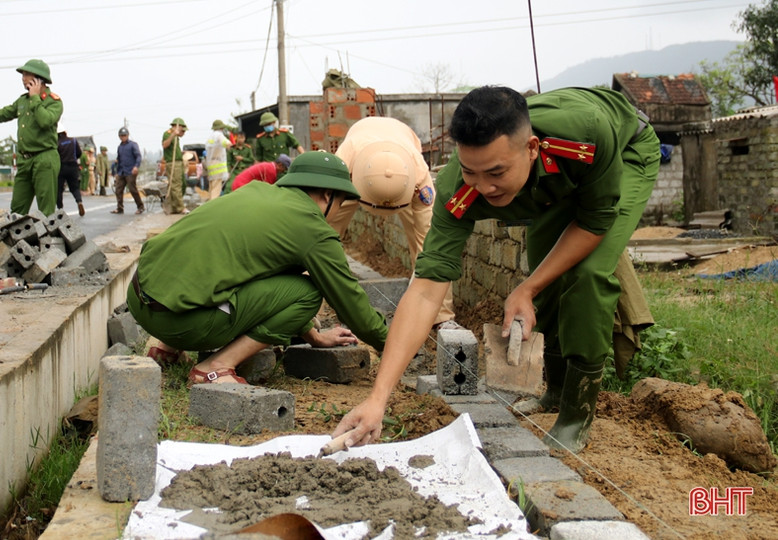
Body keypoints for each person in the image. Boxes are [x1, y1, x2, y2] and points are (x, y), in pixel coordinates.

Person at [333, 86, 660, 454]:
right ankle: (553, 390)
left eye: (496, 172)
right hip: (553, 177)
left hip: (622, 151)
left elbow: (593, 225)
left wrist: (526, 289)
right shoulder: (457, 189)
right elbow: (425, 290)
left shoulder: (584, 137)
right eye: (472, 172)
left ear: (532, 148)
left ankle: (576, 413)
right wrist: (378, 398)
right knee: (543, 264)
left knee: (587, 275)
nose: (484, 187)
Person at [127, 151, 388, 385]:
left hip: (140, 300)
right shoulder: (313, 229)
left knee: (224, 262)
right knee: (309, 293)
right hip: (183, 325)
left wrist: (314, 337)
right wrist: (392, 343)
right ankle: (216, 367)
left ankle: (166, 350)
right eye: (340, 203)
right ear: (328, 195)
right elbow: (351, 304)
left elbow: (265, 275)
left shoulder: (256, 192)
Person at [327, 116, 456, 328]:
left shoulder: (418, 174)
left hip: (403, 161)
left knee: (427, 243)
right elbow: (318, 226)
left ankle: (440, 316)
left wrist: (435, 307)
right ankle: (313, 295)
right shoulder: (344, 163)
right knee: (325, 233)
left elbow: (433, 244)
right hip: (357, 163)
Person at [0, 59, 62, 216]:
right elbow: (1, 115)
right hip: (25, 160)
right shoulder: (22, 101)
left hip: (45, 158)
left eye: (26, 74)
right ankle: (17, 240)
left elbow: (45, 121)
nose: (23, 78)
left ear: (38, 78)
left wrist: (35, 98)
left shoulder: (53, 101)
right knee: (17, 210)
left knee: (46, 212)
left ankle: (49, 240)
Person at [112, 126, 145, 214]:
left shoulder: (133, 145)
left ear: (127, 135)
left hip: (130, 171)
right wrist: (116, 172)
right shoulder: (120, 147)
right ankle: (120, 208)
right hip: (121, 171)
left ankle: (140, 206)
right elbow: (119, 159)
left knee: (132, 189)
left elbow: (138, 156)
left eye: (124, 135)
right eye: (121, 136)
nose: (123, 137)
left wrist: (136, 166)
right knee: (118, 189)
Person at [56, 123, 84, 216]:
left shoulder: (57, 143)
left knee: (59, 189)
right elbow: (79, 153)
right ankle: (79, 201)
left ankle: (60, 209)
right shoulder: (73, 141)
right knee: (74, 187)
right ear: (65, 132)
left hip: (61, 167)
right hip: (73, 166)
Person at [162, 117, 188, 214]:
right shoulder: (168, 134)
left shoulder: (177, 137)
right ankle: (180, 207)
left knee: (182, 184)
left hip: (178, 162)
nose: (183, 133)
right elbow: (165, 145)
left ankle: (174, 205)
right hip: (173, 163)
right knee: (176, 185)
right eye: (183, 130)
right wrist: (173, 134)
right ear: (178, 126)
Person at [204, 120, 233, 200]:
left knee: (212, 188)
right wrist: (231, 145)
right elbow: (226, 143)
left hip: (211, 166)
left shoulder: (210, 138)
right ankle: (212, 208)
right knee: (216, 190)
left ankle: (209, 205)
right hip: (218, 167)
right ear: (221, 128)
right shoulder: (219, 135)